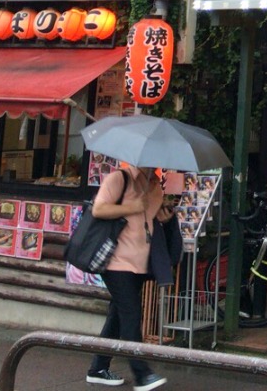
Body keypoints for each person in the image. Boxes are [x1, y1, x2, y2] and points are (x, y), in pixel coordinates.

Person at [85, 164, 179, 390]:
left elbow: (149, 224)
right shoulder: (119, 179)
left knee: (118, 315)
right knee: (131, 313)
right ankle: (142, 374)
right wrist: (131, 206)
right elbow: (98, 209)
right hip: (116, 260)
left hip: (139, 264)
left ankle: (98, 368)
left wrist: (165, 218)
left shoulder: (155, 187)